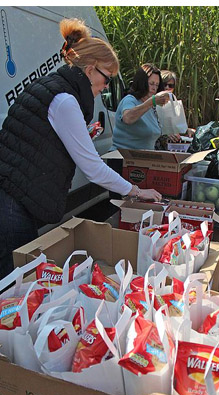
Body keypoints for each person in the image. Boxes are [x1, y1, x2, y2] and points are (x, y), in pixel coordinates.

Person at [0, 18, 162, 279]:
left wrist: (82, 135)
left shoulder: (53, 87)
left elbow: (42, 136)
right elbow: (93, 169)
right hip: (12, 202)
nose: (106, 86)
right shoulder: (65, 100)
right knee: (17, 279)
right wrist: (136, 190)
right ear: (90, 70)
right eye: (107, 79)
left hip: (12, 192)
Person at [112, 63, 176, 150]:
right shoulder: (130, 100)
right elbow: (127, 118)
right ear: (142, 83)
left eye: (157, 85)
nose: (154, 88)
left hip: (144, 158)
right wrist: (151, 102)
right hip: (123, 157)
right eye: (151, 83)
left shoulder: (153, 107)